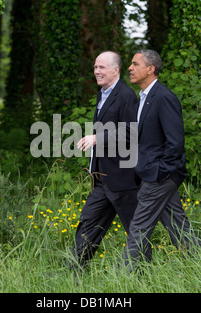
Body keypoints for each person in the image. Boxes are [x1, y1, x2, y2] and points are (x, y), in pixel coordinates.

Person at [121, 49, 201, 271]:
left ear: (150, 69)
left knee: (138, 226)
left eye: (135, 64)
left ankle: (122, 277)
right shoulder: (144, 98)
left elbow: (175, 142)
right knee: (178, 226)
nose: (130, 68)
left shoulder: (164, 97)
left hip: (160, 176)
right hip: (154, 173)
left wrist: (160, 172)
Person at [68, 51, 139, 271]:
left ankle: (142, 276)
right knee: (88, 224)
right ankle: (73, 273)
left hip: (124, 179)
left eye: (102, 68)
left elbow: (131, 133)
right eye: (95, 67)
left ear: (116, 70)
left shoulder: (127, 96)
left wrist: (98, 138)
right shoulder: (102, 94)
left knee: (136, 232)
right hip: (102, 179)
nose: (97, 71)